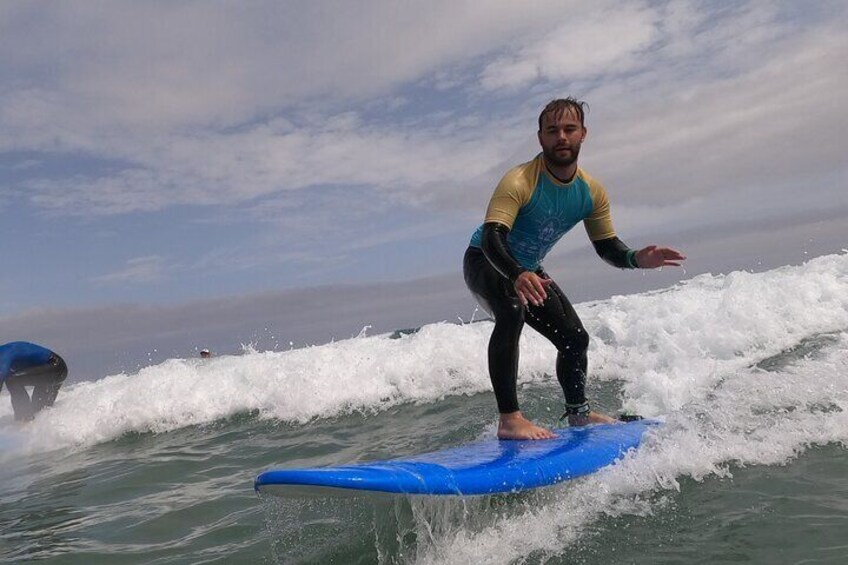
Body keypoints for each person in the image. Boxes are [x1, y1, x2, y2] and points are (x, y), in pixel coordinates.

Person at [464, 98, 685, 440]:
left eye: (569, 129)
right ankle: (510, 421)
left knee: (574, 338)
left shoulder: (590, 192)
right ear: (540, 138)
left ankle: (579, 416)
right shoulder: (520, 180)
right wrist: (517, 273)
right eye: (552, 131)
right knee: (511, 309)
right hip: (487, 259)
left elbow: (607, 247)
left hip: (528, 269)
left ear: (583, 134)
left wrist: (636, 258)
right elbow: (494, 236)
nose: (561, 137)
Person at [0, 341, 68, 422]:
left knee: (12, 381)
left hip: (56, 368)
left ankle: (24, 419)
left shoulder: (3, 354)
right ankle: (26, 425)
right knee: (39, 413)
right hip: (48, 371)